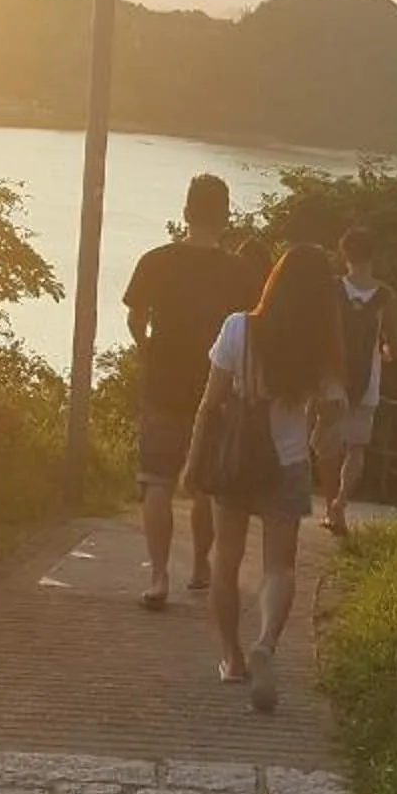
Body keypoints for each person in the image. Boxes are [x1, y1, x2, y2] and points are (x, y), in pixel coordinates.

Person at [183, 241, 345, 713]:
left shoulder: (239, 327)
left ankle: (232, 660)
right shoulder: (321, 343)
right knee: (279, 567)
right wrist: (320, 425)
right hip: (287, 463)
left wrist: (194, 461)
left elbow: (209, 404)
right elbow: (334, 407)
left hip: (235, 460)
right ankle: (267, 644)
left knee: (226, 560)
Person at [123, 173, 250, 611]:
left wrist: (148, 350)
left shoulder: (155, 260)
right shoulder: (241, 272)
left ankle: (158, 576)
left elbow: (136, 319)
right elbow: (249, 332)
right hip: (214, 388)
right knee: (206, 486)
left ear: (185, 212)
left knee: (156, 482)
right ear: (225, 216)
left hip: (162, 384)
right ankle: (199, 566)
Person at [318, 225, 397, 535]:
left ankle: (329, 508)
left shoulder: (332, 288)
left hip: (332, 378)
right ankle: (341, 500)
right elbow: (394, 344)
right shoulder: (386, 295)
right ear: (373, 254)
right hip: (368, 380)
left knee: (327, 446)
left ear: (344, 255)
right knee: (356, 448)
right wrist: (386, 351)